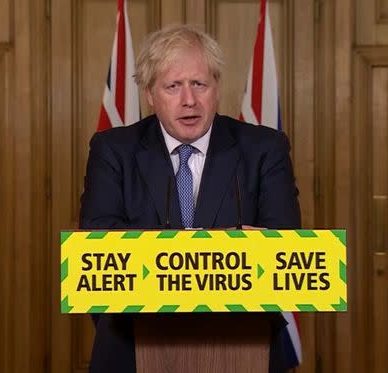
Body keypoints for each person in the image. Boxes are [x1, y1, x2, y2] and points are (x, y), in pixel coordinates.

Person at [80, 24, 301, 373]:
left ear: (217, 88)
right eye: (173, 86)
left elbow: (287, 250)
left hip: (246, 345)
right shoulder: (113, 151)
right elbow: (97, 250)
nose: (189, 100)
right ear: (151, 95)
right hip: (131, 345)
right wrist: (222, 250)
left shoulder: (263, 149)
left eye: (199, 84)